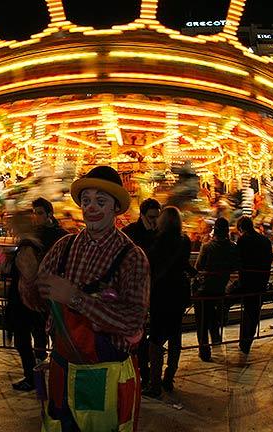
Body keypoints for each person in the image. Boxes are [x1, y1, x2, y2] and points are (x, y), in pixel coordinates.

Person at [20, 166, 150, 432]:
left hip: (105, 373)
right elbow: (38, 303)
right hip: (62, 365)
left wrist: (77, 299)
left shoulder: (132, 257)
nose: (91, 208)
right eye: (87, 201)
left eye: (100, 202)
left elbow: (133, 320)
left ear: (116, 208)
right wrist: (30, 279)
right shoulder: (64, 247)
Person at [8, 198, 68, 391]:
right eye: (34, 212)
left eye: (40, 212)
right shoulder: (33, 237)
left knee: (35, 339)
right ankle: (37, 375)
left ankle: (38, 377)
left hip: (38, 296)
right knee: (33, 338)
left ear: (50, 214)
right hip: (31, 297)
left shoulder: (58, 237)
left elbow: (31, 271)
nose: (36, 216)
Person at [143, 206, 193, 398]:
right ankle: (169, 376)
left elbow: (150, 262)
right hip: (179, 292)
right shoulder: (185, 240)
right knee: (175, 335)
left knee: (155, 338)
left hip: (161, 292)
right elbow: (184, 262)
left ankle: (154, 384)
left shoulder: (158, 240)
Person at [122, 197, 161, 388]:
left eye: (157, 217)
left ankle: (148, 374)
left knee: (151, 334)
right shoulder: (129, 233)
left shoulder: (160, 234)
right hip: (135, 291)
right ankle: (139, 372)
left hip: (155, 290)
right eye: (152, 217)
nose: (155, 221)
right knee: (137, 334)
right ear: (143, 215)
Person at [194, 217, 239, 361]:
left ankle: (204, 349)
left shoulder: (207, 247)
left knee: (202, 319)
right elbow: (234, 265)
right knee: (213, 314)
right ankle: (215, 337)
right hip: (220, 288)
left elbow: (199, 266)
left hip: (205, 288)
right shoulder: (233, 247)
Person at [235, 216, 273, 354]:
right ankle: (248, 339)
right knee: (255, 311)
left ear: (241, 228)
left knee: (247, 311)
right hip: (261, 280)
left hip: (247, 280)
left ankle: (244, 341)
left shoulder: (242, 240)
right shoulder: (265, 240)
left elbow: (238, 259)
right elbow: (270, 260)